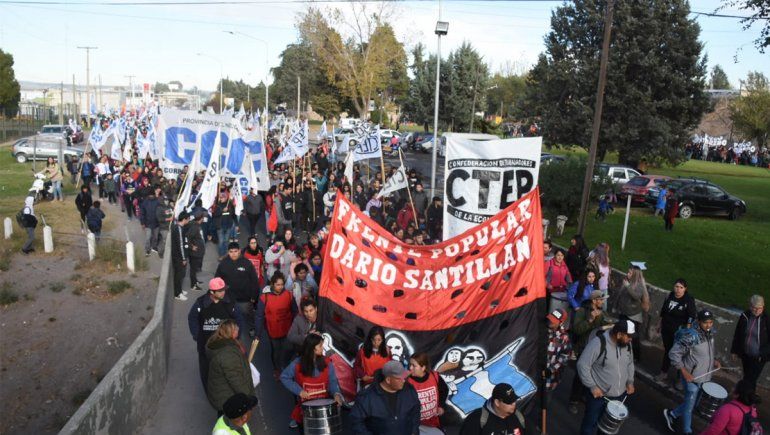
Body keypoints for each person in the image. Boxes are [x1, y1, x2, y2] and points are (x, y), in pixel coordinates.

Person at [664, 309, 721, 435]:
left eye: (711, 322)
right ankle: (687, 431)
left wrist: (714, 360)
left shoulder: (710, 333)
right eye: (706, 322)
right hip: (692, 377)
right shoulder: (691, 336)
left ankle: (671, 414)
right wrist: (684, 372)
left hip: (704, 377)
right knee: (689, 407)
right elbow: (673, 354)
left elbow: (707, 351)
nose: (709, 325)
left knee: (693, 403)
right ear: (699, 321)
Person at [577, 319, 636, 435]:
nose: (631, 339)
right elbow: (582, 365)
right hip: (598, 396)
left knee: (607, 428)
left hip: (619, 397)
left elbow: (630, 363)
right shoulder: (598, 343)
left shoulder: (627, 344)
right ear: (619, 334)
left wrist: (630, 381)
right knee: (590, 424)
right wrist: (592, 386)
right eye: (628, 336)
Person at [188, 277, 244, 389]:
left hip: (225, 344)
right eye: (220, 291)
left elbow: (239, 320)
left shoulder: (230, 303)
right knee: (206, 369)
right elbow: (192, 318)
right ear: (212, 292)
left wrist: (236, 336)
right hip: (205, 344)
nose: (223, 292)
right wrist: (196, 335)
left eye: (224, 289)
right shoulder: (200, 303)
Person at [280, 333, 344, 430]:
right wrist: (299, 391)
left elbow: (332, 381)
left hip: (323, 409)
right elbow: (284, 377)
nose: (323, 348)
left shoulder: (327, 363)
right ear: (312, 349)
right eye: (320, 346)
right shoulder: (297, 363)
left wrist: (336, 394)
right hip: (304, 410)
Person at [350, 360, 421, 435]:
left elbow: (415, 411)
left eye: (404, 377)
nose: (403, 381)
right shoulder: (366, 397)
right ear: (388, 380)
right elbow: (356, 423)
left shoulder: (409, 390)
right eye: (399, 378)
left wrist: (414, 431)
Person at [568, 290, 610, 414]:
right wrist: (590, 320)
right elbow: (577, 330)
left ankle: (582, 395)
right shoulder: (581, 311)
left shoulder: (601, 312)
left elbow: (603, 325)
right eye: (601, 300)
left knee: (591, 375)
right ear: (594, 301)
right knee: (580, 376)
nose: (603, 302)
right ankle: (573, 401)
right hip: (582, 348)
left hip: (594, 349)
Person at [206, 320, 256, 415]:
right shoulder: (228, 354)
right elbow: (236, 380)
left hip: (222, 395)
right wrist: (248, 397)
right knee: (231, 425)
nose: (238, 328)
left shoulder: (220, 343)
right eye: (236, 328)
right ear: (231, 333)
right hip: (228, 399)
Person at [256, 271, 298, 375]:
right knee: (276, 351)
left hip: (287, 330)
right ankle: (277, 370)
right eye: (278, 284)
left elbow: (295, 312)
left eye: (282, 284)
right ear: (272, 284)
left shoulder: (289, 295)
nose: (280, 287)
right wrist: (258, 333)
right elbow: (259, 317)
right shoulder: (264, 298)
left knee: (288, 349)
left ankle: (286, 367)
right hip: (273, 330)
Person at [215, 242, 260, 337]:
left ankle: (252, 328)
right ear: (228, 252)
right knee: (230, 318)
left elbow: (254, 280)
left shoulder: (246, 263)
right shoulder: (223, 264)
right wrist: (218, 296)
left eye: (236, 251)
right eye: (231, 252)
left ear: (239, 251)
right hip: (228, 299)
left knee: (248, 315)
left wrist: (253, 296)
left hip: (245, 299)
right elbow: (217, 280)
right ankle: (231, 334)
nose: (233, 254)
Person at [657, 278, 697, 381]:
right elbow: (663, 311)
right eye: (676, 287)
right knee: (668, 351)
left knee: (680, 354)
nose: (678, 289)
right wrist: (659, 324)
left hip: (679, 332)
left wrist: (687, 330)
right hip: (666, 329)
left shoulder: (688, 300)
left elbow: (692, 316)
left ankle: (681, 378)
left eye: (681, 287)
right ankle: (664, 372)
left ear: (685, 289)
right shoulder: (670, 295)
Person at [612, 265, 650, 361]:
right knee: (621, 334)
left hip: (633, 316)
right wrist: (615, 307)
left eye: (630, 273)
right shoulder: (627, 282)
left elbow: (636, 296)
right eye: (627, 272)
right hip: (624, 313)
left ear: (635, 275)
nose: (627, 274)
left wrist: (628, 286)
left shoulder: (639, 285)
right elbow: (620, 295)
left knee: (633, 337)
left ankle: (636, 356)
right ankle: (622, 352)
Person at [731, 295, 768, 390]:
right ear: (750, 306)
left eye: (760, 308)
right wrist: (734, 350)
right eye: (754, 308)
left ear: (763, 307)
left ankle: (745, 398)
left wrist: (763, 354)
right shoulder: (745, 316)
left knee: (749, 380)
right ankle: (748, 399)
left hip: (758, 358)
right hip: (746, 354)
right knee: (749, 378)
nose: (757, 311)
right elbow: (738, 334)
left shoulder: (767, 320)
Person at [459, 383, 527, 435]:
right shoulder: (476, 419)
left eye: (514, 400)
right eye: (509, 402)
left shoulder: (519, 417)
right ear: (497, 402)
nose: (513, 404)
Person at [407, 352, 448, 429]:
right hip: (414, 424)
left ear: (423, 368)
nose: (410, 368)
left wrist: (441, 406)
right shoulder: (406, 380)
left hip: (433, 422)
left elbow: (444, 390)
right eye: (410, 365)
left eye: (414, 366)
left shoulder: (435, 376)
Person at [545, 309, 571, 392]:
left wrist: (551, 370)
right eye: (550, 318)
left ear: (561, 322)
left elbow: (565, 356)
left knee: (545, 401)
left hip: (550, 378)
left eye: (554, 320)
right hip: (534, 373)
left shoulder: (564, 337)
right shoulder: (542, 329)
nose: (550, 321)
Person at [171, 211, 191, 301]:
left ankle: (180, 291)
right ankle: (177, 294)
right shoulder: (178, 229)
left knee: (181, 275)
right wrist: (183, 258)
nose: (189, 220)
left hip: (179, 256)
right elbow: (181, 245)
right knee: (179, 276)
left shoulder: (178, 227)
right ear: (184, 219)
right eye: (188, 219)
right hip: (179, 257)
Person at [187, 212, 206, 291]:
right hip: (195, 253)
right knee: (193, 269)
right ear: (201, 218)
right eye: (203, 217)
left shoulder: (197, 225)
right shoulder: (194, 227)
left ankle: (195, 281)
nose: (203, 219)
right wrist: (192, 247)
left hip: (198, 252)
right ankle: (193, 286)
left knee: (194, 269)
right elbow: (187, 237)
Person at [140, 187, 161, 256]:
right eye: (150, 195)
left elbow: (160, 212)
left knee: (155, 237)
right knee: (148, 238)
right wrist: (142, 223)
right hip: (147, 224)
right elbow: (142, 214)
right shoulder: (144, 202)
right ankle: (147, 249)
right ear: (148, 195)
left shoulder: (158, 201)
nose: (151, 196)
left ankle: (154, 247)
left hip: (156, 223)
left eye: (152, 195)